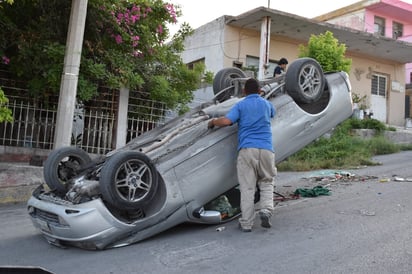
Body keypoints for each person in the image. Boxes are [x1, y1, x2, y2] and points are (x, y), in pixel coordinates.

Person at [207, 78, 277, 232]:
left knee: (247, 188)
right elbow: (273, 113)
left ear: (244, 91)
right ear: (259, 91)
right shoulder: (267, 104)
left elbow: (226, 121)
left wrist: (212, 122)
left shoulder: (241, 105)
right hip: (266, 149)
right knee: (266, 182)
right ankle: (266, 210)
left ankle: (246, 223)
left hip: (247, 150)